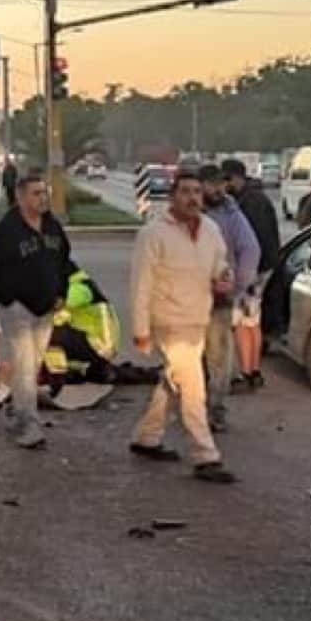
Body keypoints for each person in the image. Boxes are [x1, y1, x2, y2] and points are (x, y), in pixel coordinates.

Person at [129, 167, 236, 484]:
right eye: (185, 192)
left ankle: (147, 437)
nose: (192, 198)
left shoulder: (211, 230)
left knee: (172, 381)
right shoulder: (153, 234)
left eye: (197, 192)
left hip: (197, 319)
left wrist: (224, 278)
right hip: (168, 323)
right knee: (192, 385)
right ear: (172, 196)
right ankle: (206, 455)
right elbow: (140, 284)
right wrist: (141, 330)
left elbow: (220, 264)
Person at [0, 172, 72, 449]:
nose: (42, 198)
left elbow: (64, 263)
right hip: (17, 308)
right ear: (20, 197)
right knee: (24, 363)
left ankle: (16, 409)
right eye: (36, 193)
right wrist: (3, 299)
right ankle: (28, 424)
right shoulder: (5, 232)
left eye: (44, 192)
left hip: (46, 307)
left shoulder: (52, 228)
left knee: (33, 364)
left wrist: (61, 293)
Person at [198, 165, 261, 433]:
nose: (218, 189)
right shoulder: (189, 213)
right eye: (212, 184)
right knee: (193, 358)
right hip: (187, 299)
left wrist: (238, 287)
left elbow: (250, 249)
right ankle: (195, 406)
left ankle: (214, 410)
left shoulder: (231, 214)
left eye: (221, 184)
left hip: (218, 299)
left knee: (218, 359)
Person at [222, 158, 280, 389]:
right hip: (262, 268)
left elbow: (253, 241)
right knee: (253, 322)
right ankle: (254, 371)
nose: (224, 186)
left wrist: (246, 273)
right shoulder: (257, 197)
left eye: (226, 180)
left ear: (236, 178)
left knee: (241, 323)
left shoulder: (250, 203)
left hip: (252, 270)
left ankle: (246, 373)